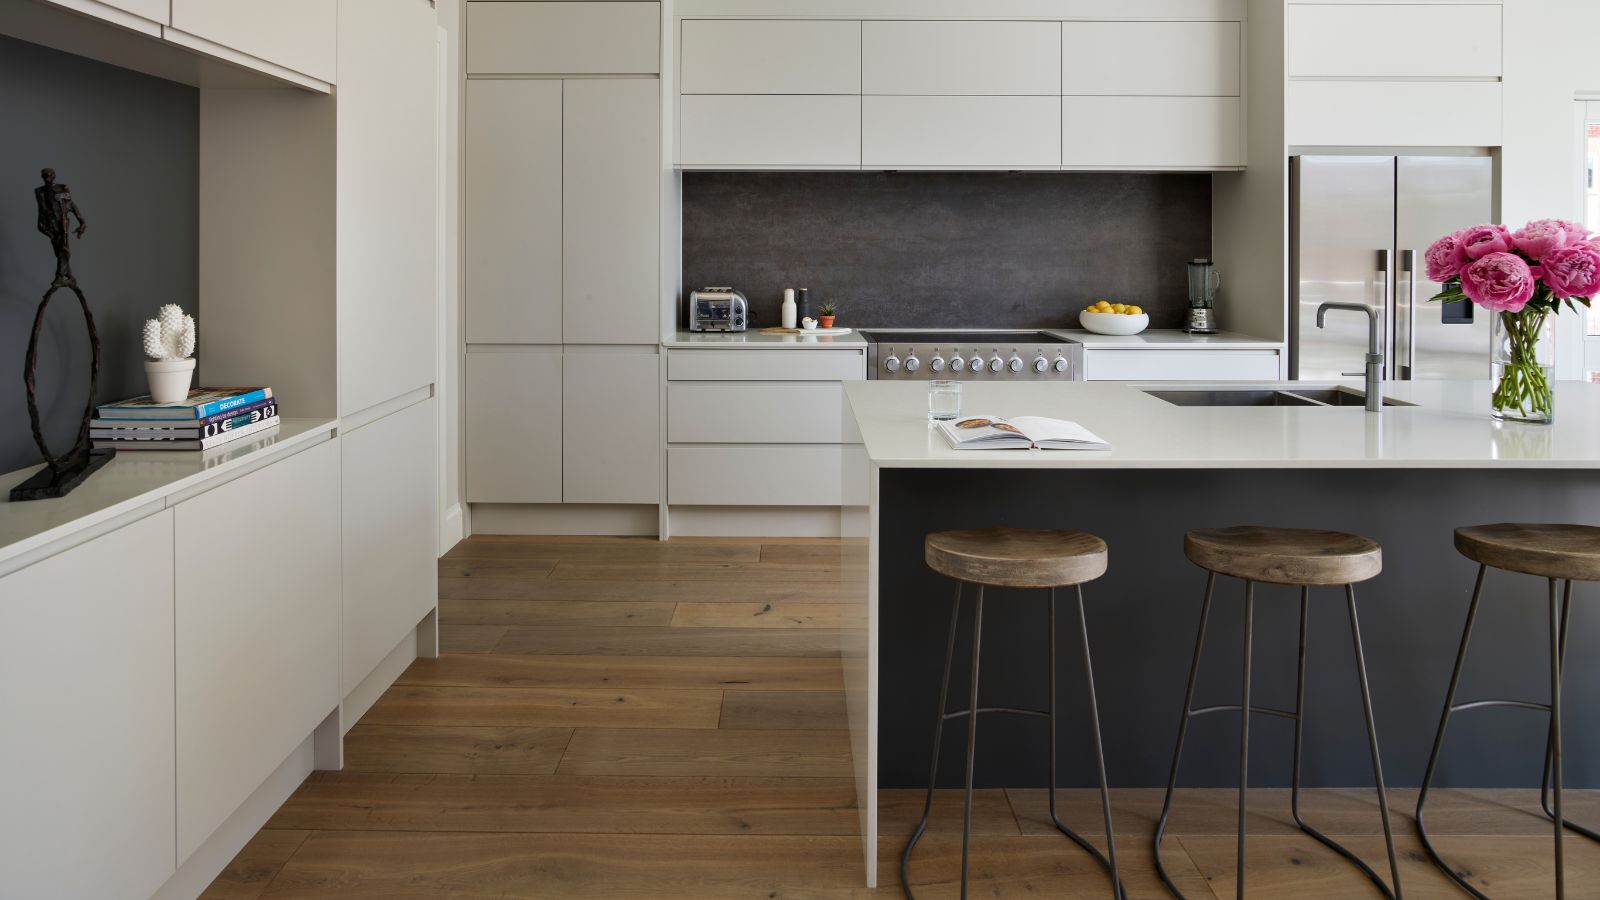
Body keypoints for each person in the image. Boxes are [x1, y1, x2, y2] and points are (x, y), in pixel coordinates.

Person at [36, 167, 87, 284]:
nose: (48, 179)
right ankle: (69, 274)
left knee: (63, 250)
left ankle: (59, 276)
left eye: (50, 176)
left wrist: (82, 221)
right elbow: (41, 211)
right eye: (45, 177)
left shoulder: (62, 188)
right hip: (50, 225)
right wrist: (42, 227)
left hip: (62, 223)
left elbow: (70, 205)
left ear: (54, 176)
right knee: (60, 252)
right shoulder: (39, 191)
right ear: (42, 177)